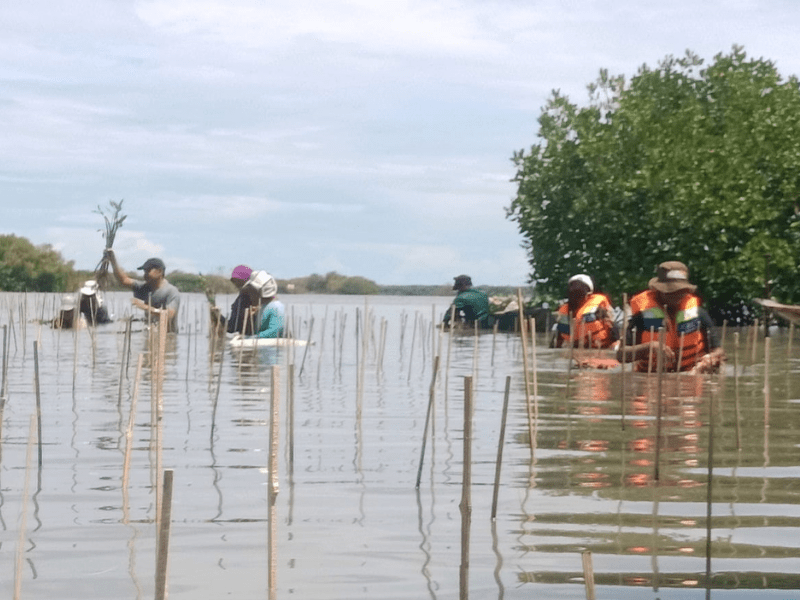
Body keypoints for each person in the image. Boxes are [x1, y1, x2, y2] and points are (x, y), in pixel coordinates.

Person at [617, 261, 725, 373]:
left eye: (681, 291)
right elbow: (621, 355)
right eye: (671, 291)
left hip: (691, 375)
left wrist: (711, 358)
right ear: (657, 290)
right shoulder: (641, 316)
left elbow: (719, 351)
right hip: (651, 377)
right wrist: (651, 347)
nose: (677, 295)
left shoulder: (699, 313)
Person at [105, 250, 180, 331]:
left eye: (148, 271)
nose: (145, 275)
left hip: (167, 336)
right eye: (144, 272)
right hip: (150, 334)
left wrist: (145, 307)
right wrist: (113, 260)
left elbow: (169, 315)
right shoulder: (145, 287)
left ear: (159, 272)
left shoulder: (171, 291)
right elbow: (123, 280)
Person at [552, 274, 619, 349]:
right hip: (577, 348)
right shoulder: (564, 310)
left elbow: (612, 323)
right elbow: (559, 333)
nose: (575, 289)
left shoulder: (598, 304)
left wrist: (616, 344)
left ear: (589, 291)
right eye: (573, 286)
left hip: (601, 347)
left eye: (580, 286)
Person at [210, 265, 256, 334]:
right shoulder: (257, 296)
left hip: (247, 337)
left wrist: (218, 314)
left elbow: (231, 328)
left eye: (234, 280)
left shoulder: (243, 299)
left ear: (242, 280)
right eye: (232, 280)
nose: (234, 283)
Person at [242, 270, 285, 339]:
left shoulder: (276, 307)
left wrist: (251, 338)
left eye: (252, 291)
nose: (250, 294)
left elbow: (274, 331)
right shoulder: (265, 306)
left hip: (271, 347)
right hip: (262, 346)